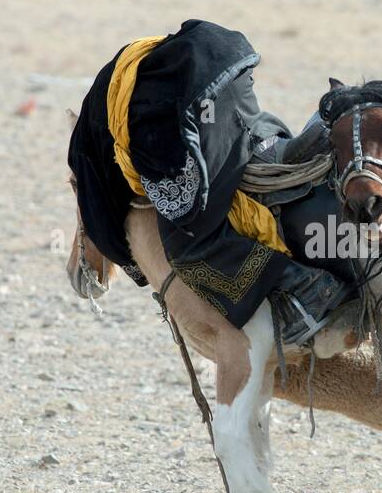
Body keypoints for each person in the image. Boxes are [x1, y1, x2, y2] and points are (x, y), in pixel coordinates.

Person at [67, 20, 352, 344]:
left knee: (188, 237)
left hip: (195, 98)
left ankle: (309, 288)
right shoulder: (103, 122)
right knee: (240, 143)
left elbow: (99, 219)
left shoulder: (91, 160)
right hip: (228, 64)